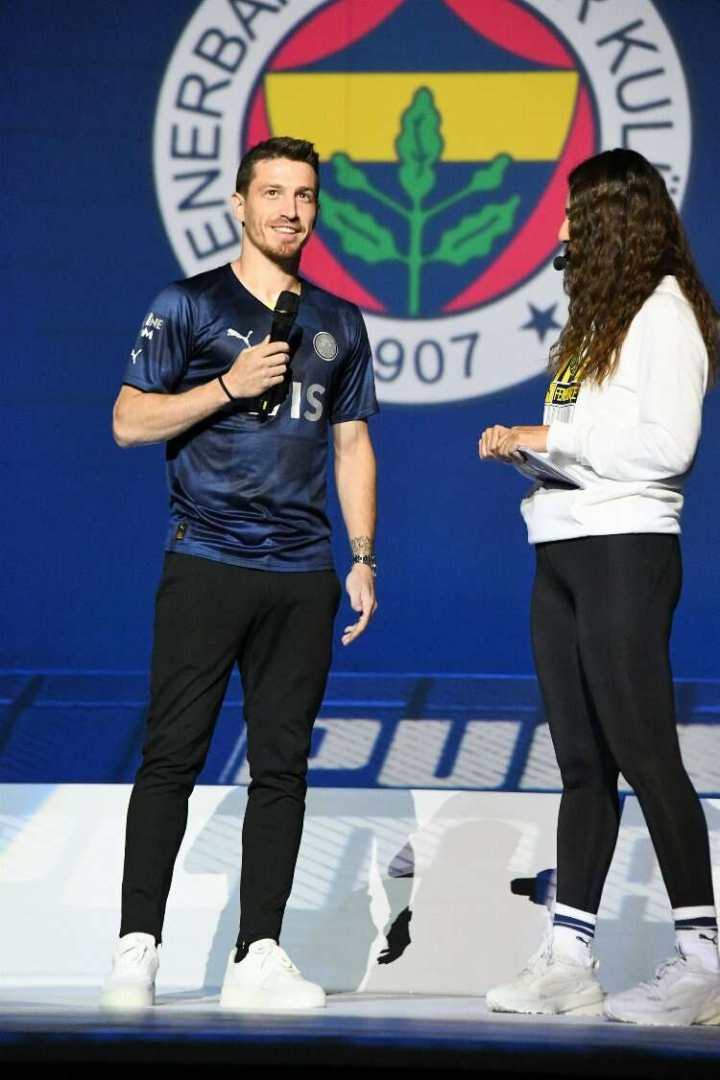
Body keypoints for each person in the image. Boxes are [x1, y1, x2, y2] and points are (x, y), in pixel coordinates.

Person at [100, 136, 379, 1011]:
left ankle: (258, 952)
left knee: (283, 767)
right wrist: (226, 386)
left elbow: (352, 444)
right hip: (207, 560)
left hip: (302, 573)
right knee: (172, 756)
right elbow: (128, 422)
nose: (290, 210)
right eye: (273, 193)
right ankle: (137, 948)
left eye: (305, 195)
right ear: (239, 204)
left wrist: (362, 557)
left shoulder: (339, 321)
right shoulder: (188, 304)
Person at [479, 148, 720, 1026]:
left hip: (626, 553)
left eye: (572, 213)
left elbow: (668, 447)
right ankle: (569, 960)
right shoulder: (593, 324)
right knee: (583, 767)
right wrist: (529, 452)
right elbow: (588, 445)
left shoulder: (665, 312)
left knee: (647, 756)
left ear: (614, 219)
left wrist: (552, 438)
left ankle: (705, 961)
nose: (558, 228)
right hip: (562, 552)